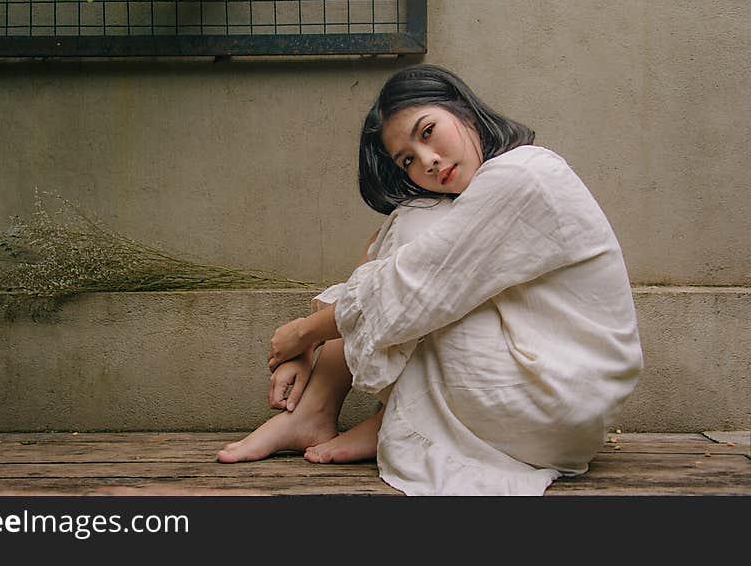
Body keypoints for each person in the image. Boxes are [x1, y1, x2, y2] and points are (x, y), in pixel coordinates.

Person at [217, 64, 643, 495]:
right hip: (558, 411)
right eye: (408, 160)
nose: (428, 162)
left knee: (415, 229)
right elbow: (402, 287)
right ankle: (337, 414)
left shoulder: (525, 174)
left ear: (464, 110)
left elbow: (408, 291)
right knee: (413, 238)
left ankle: (322, 411)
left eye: (427, 132)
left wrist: (302, 336)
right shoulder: (496, 188)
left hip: (548, 399)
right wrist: (311, 334)